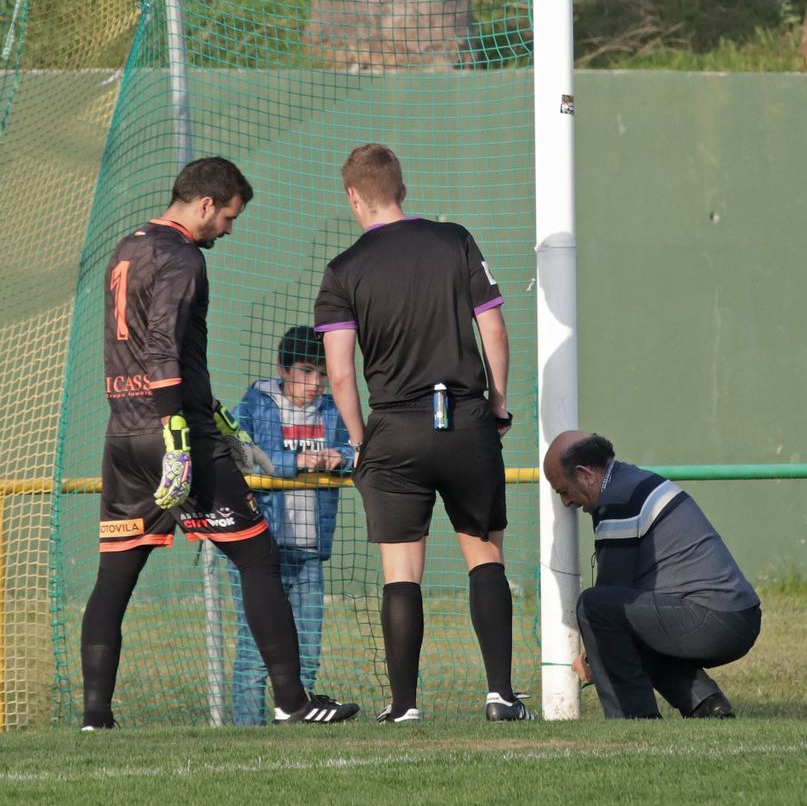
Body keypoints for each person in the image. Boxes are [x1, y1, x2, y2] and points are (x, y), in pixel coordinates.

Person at [83, 156, 360, 729]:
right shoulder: (181, 255)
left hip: (124, 436)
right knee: (259, 556)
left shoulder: (127, 248)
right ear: (206, 205)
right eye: (229, 218)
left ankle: (95, 718)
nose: (229, 231)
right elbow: (162, 349)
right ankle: (292, 701)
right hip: (171, 437)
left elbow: (144, 355)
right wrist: (181, 437)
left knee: (115, 575)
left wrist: (223, 423)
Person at [314, 143, 529, 723]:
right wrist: (498, 406)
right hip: (465, 420)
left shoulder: (343, 270)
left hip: (394, 430)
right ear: (402, 188)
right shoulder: (455, 240)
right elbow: (496, 331)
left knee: (400, 572)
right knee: (485, 559)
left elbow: (339, 373)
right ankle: (500, 696)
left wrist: (360, 440)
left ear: (353, 197)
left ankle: (405, 706)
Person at [542, 430, 762, 719]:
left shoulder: (620, 500)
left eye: (563, 490)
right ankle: (706, 704)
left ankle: (633, 719)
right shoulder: (633, 481)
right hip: (736, 616)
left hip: (714, 620)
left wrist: (590, 660)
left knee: (595, 607)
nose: (566, 502)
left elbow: (610, 603)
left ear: (585, 474)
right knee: (629, 623)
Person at [227, 325, 355, 725]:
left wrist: (341, 457)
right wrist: (294, 462)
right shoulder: (254, 405)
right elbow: (237, 453)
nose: (315, 382)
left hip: (309, 551)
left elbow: (361, 446)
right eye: (305, 371)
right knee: (254, 651)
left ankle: (297, 723)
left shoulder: (334, 410)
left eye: (321, 372)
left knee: (308, 650)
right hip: (259, 553)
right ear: (282, 370)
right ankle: (249, 735)